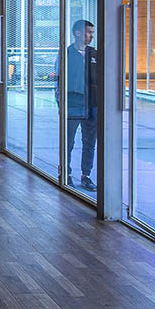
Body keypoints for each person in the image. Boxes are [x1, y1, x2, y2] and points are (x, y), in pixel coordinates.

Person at [53, 19, 99, 191]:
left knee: (89, 142)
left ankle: (86, 175)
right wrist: (61, 104)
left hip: (92, 105)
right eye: (88, 32)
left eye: (92, 33)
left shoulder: (94, 54)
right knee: (68, 142)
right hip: (72, 104)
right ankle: (66, 172)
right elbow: (58, 81)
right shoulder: (66, 54)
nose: (91, 36)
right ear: (77, 33)